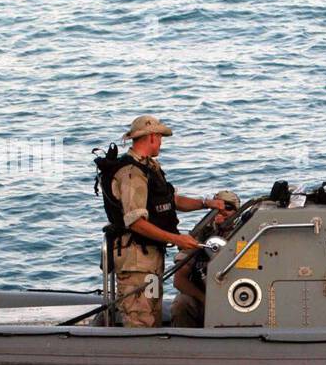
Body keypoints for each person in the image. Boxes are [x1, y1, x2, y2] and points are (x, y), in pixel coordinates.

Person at [100, 115, 230, 327]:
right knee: (140, 319)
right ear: (151, 137)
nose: (161, 142)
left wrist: (206, 204)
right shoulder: (132, 173)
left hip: (150, 259)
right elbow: (135, 222)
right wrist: (177, 239)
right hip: (136, 262)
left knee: (153, 314)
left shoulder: (150, 168)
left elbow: (172, 200)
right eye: (159, 137)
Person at [169, 189, 240, 328]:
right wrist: (206, 300)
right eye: (217, 207)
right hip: (202, 297)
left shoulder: (245, 236)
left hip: (236, 298)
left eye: (228, 207)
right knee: (181, 304)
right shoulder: (200, 235)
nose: (223, 211)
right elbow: (179, 280)